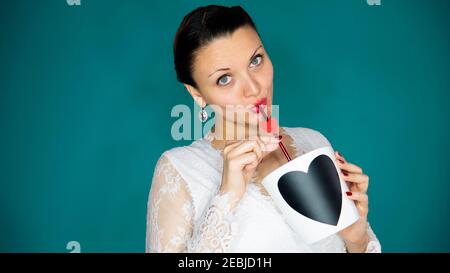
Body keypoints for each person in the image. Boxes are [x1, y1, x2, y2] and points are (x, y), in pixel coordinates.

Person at [146, 5, 381, 253]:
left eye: (255, 60)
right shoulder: (180, 170)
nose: (254, 88)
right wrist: (226, 197)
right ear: (196, 93)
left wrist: (357, 240)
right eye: (224, 79)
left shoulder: (314, 142)